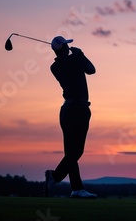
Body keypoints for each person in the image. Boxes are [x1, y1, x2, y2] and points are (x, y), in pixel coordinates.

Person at [44, 36, 97, 198]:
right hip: (78, 108)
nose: (69, 47)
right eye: (66, 45)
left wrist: (76, 56)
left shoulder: (55, 66)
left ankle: (76, 188)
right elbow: (91, 70)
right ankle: (56, 177)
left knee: (71, 152)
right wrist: (81, 54)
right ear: (63, 49)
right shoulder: (74, 59)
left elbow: (77, 66)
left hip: (67, 109)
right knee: (76, 151)